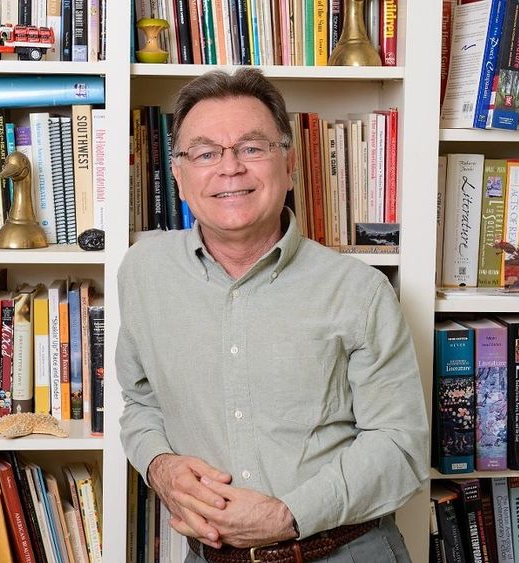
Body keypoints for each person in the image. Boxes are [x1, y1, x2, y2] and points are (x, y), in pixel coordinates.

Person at [116, 68, 429, 563]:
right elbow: (141, 404)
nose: (230, 168)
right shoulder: (143, 272)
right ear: (178, 175)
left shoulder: (360, 291)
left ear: (289, 166)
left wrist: (287, 514)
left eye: (252, 147)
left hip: (346, 551)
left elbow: (401, 449)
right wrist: (160, 466)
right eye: (205, 152)